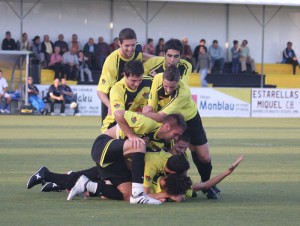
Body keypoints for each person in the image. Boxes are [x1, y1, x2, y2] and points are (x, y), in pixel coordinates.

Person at [142, 65, 220, 199]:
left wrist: (137, 114)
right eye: (166, 86)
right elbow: (151, 106)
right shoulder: (158, 78)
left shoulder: (184, 92)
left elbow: (160, 116)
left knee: (204, 156)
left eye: (172, 87)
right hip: (172, 121)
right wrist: (148, 112)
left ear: (179, 82)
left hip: (190, 119)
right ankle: (177, 185)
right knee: (175, 151)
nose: (168, 89)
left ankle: (207, 184)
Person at [89, 110, 186, 204]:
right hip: (103, 146)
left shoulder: (160, 142)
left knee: (127, 194)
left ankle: (83, 183)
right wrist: (131, 136)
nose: (176, 138)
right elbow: (118, 114)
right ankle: (138, 195)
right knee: (139, 145)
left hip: (117, 159)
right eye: (176, 134)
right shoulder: (147, 124)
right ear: (167, 127)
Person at [97, 28, 150, 121]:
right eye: (127, 45)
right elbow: (101, 91)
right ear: (119, 44)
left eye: (133, 45)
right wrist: (111, 106)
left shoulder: (137, 53)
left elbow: (151, 58)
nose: (130, 49)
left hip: (132, 101)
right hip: (113, 102)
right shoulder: (112, 61)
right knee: (110, 134)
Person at [101, 60, 152, 133]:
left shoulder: (150, 82)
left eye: (140, 80)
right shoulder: (117, 89)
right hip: (114, 125)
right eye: (133, 81)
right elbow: (120, 116)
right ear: (125, 75)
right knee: (136, 144)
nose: (137, 84)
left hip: (136, 124)